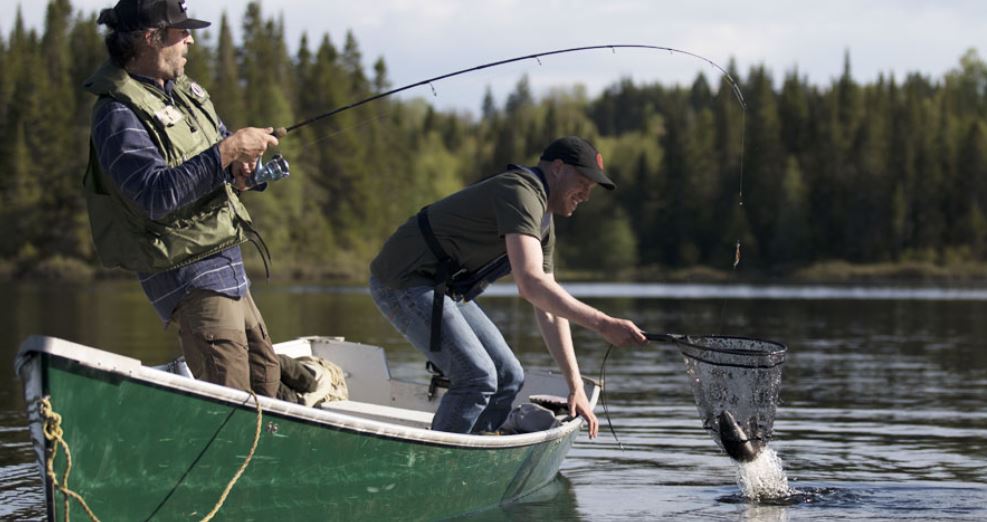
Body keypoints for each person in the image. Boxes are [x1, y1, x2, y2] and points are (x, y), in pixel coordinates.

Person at [83, 0, 325, 404]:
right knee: (234, 402)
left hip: (229, 267)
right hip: (190, 279)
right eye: (182, 32)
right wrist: (229, 150)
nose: (191, 40)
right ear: (151, 38)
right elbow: (155, 196)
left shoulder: (184, 93)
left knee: (266, 380)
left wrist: (242, 169)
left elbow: (214, 162)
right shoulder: (116, 115)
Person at [369, 136, 647, 437]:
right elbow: (529, 283)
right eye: (583, 182)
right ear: (557, 168)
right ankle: (438, 465)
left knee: (508, 376)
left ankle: (476, 450)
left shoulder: (542, 222)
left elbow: (548, 307)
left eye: (591, 188)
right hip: (402, 278)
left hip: (441, 289)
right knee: (477, 377)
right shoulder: (520, 192)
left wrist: (575, 386)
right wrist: (603, 323)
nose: (586, 195)